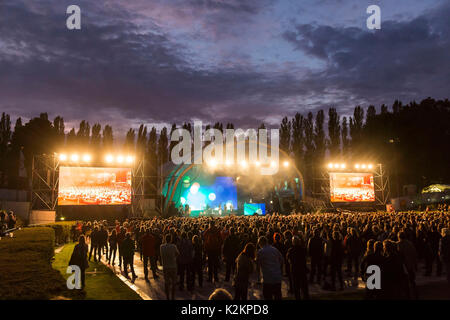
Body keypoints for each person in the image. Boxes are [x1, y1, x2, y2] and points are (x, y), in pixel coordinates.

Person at [397, 231, 418, 299]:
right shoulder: (410, 243)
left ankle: (408, 295)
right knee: (412, 280)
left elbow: (399, 255)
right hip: (411, 264)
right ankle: (415, 294)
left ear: (399, 237)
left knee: (405, 281)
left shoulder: (399, 244)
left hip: (404, 265)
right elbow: (414, 253)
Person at [160, 234, 180, 300]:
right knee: (174, 283)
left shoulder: (162, 247)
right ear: (171, 239)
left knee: (166, 282)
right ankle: (173, 296)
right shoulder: (173, 246)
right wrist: (174, 258)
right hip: (173, 266)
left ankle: (168, 297)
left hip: (165, 266)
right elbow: (178, 254)